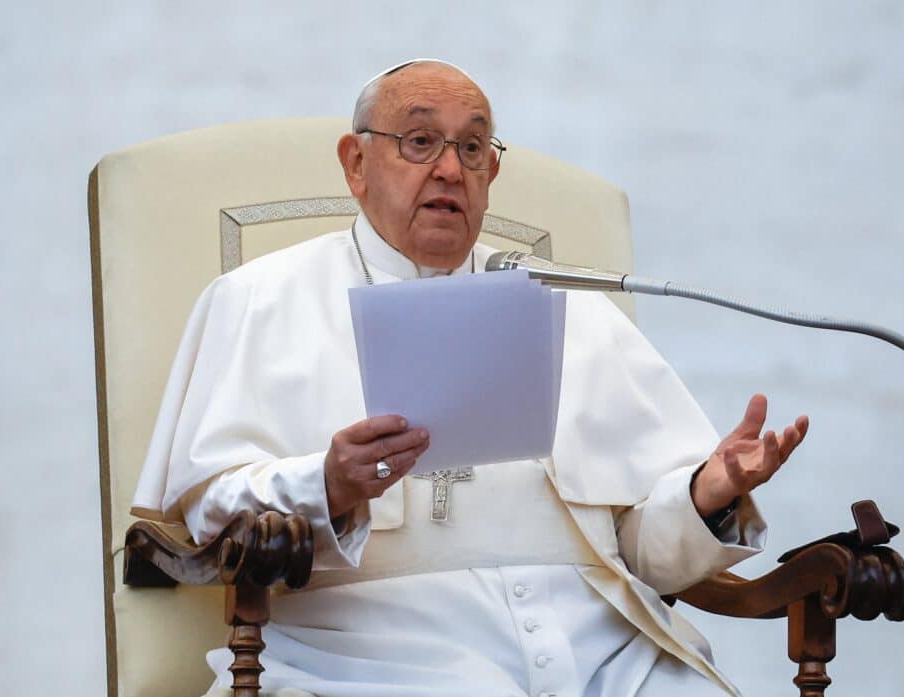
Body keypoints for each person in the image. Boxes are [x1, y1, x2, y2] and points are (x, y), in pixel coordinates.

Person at [132, 59, 809, 697]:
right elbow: (210, 506)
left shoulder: (568, 304)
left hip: (604, 650)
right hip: (368, 652)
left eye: (474, 149)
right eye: (421, 141)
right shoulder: (259, 297)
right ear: (356, 163)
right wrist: (327, 484)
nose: (451, 170)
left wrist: (705, 493)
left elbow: (644, 558)